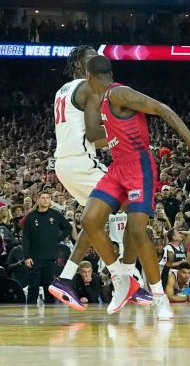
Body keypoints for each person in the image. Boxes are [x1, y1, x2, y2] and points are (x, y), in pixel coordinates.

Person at [80, 54, 190, 320]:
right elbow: (94, 137)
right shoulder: (103, 99)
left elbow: (161, 107)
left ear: (89, 76)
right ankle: (122, 278)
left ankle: (159, 297)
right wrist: (90, 102)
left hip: (139, 166)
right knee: (90, 220)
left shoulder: (120, 93)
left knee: (138, 231)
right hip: (118, 168)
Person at [47, 46, 152, 309]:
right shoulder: (88, 87)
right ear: (82, 66)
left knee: (95, 220)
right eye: (91, 57)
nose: (97, 60)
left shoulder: (63, 89)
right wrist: (124, 134)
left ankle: (64, 279)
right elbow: (94, 136)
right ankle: (127, 280)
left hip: (64, 164)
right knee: (136, 209)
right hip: (84, 162)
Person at [21, 189, 72, 304]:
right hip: (34, 258)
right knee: (33, 287)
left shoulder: (55, 215)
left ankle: (50, 313)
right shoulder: (31, 217)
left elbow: (68, 227)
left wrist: (58, 238)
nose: (45, 200)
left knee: (49, 287)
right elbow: (26, 238)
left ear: (50, 200)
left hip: (50, 257)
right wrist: (27, 256)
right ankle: (31, 312)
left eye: (47, 198)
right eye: (43, 198)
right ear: (37, 200)